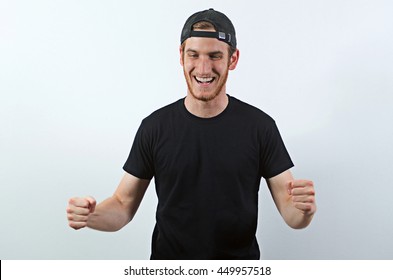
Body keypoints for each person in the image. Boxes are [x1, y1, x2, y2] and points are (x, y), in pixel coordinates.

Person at [66, 8, 316, 260]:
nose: (203, 67)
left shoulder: (260, 127)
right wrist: (91, 215)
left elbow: (291, 211)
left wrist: (303, 211)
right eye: (194, 55)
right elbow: (122, 205)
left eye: (215, 55)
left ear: (233, 59)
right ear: (181, 56)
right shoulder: (155, 127)